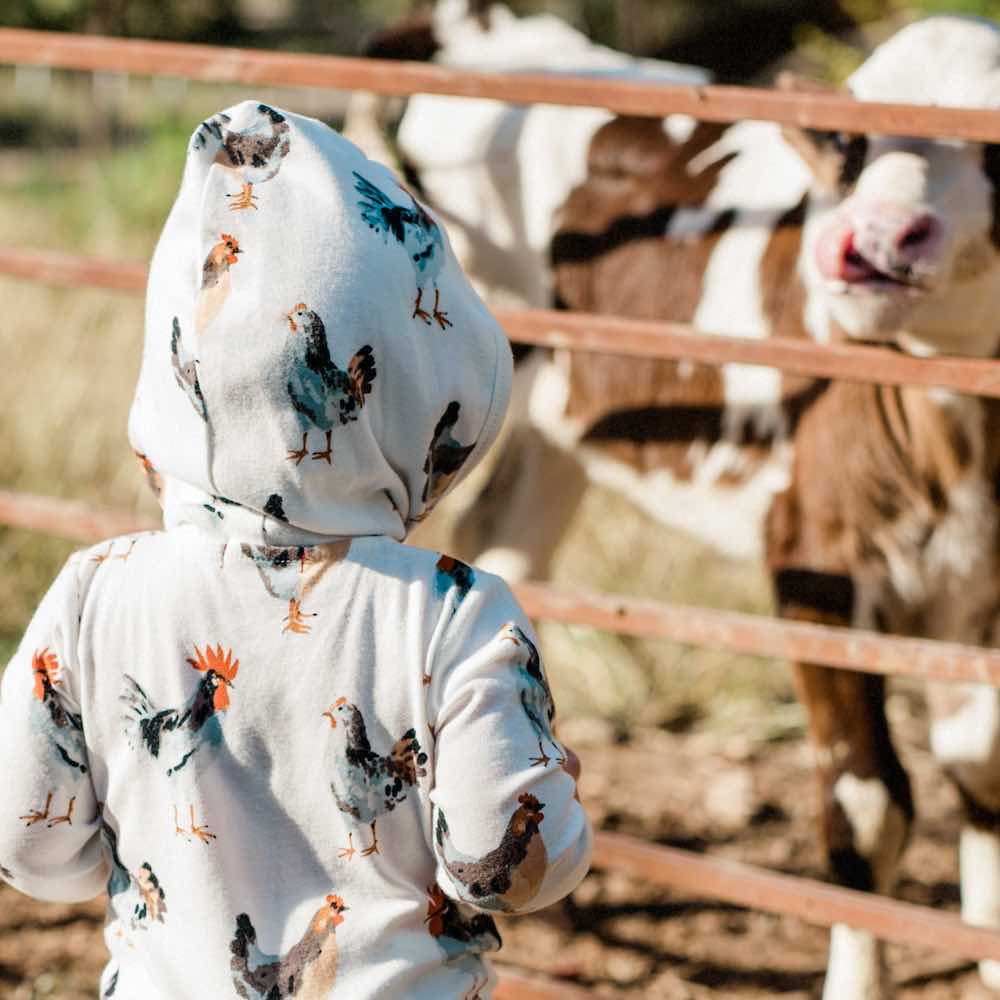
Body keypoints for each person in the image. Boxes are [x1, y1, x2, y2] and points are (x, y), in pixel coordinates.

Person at [0, 101, 591, 999]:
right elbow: (501, 863)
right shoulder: (450, 608)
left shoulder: (94, 592)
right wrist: (553, 804)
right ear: (427, 398)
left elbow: (23, 838)